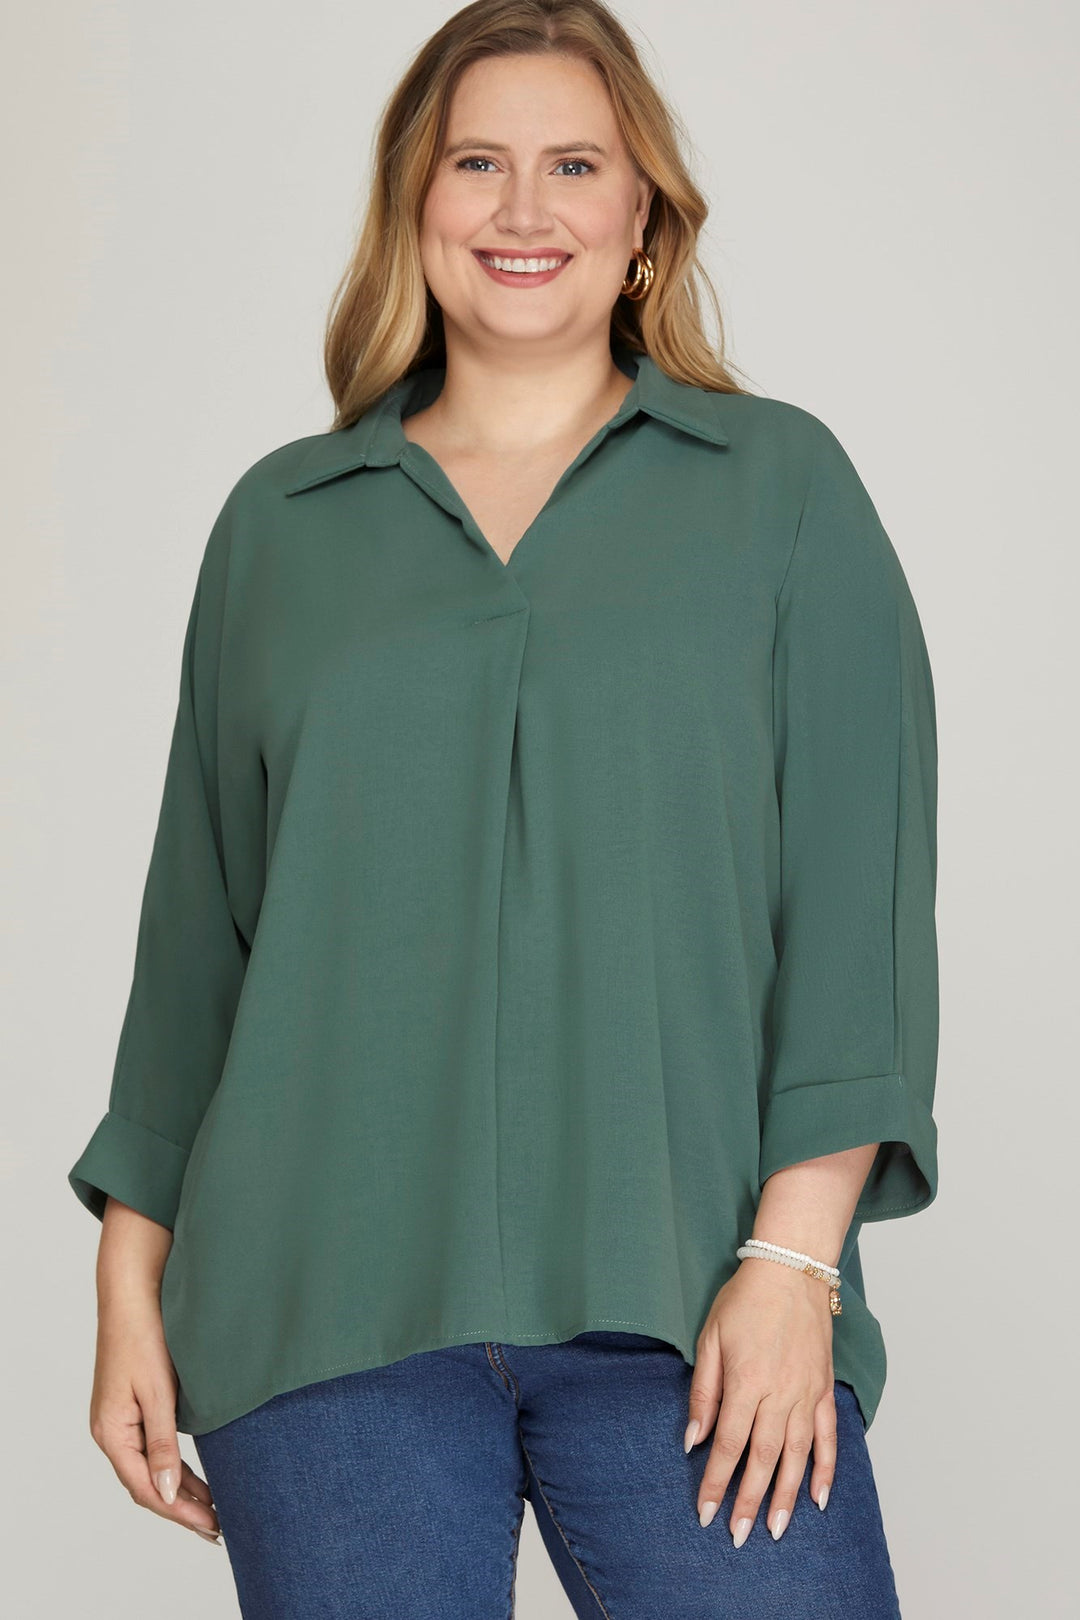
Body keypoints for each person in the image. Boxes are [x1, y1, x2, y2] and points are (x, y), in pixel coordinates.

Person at [67, 2, 939, 1615]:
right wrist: (130, 1279)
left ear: (644, 216)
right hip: (319, 1318)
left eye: (575, 165)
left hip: (687, 1292)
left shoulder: (780, 491)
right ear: (416, 202)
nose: (524, 208)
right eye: (478, 162)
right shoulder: (282, 525)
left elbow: (853, 910)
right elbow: (198, 944)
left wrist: (796, 1259)